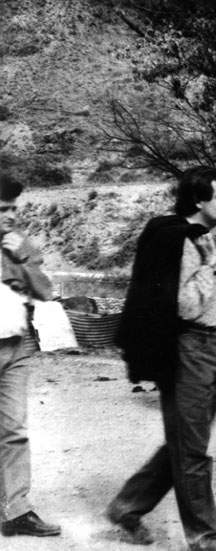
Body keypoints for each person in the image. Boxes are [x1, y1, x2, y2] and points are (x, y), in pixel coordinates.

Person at [107, 166, 216, 550]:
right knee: (192, 449)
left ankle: (127, 506)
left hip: (213, 347)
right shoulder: (182, 239)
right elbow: (184, 306)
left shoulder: (202, 238)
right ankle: (207, 538)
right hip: (190, 349)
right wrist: (215, 263)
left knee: (184, 441)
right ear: (199, 200)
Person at [0, 172, 61, 539]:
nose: (10, 216)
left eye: (12, 209)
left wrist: (20, 255)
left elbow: (45, 290)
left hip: (17, 346)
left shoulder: (20, 244)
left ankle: (16, 510)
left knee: (14, 430)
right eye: (2, 210)